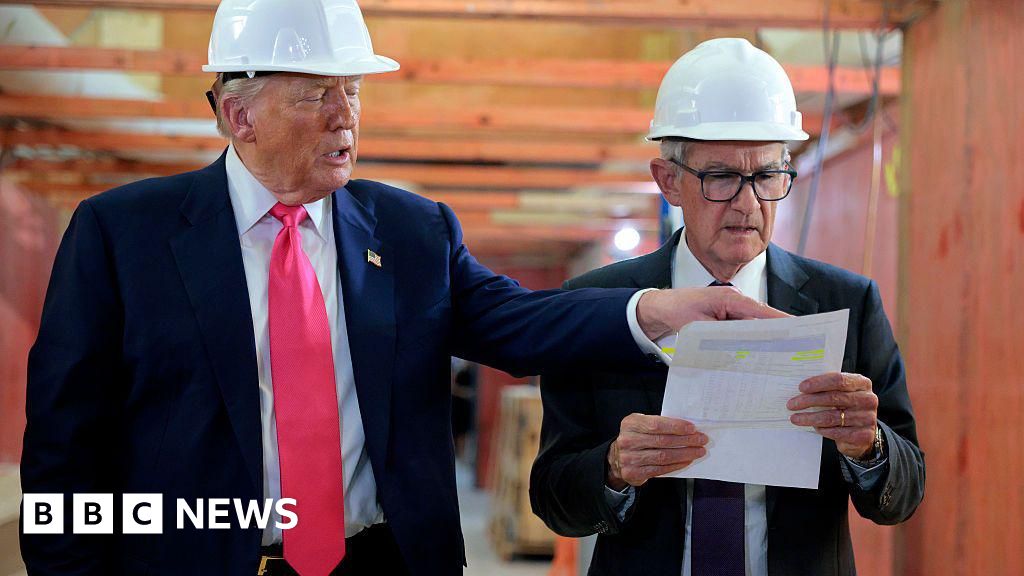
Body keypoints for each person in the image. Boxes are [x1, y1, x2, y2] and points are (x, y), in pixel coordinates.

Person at [18, 4, 785, 575]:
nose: (346, 116)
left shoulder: (412, 232)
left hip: (382, 561)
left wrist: (655, 309)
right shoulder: (123, 236)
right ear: (238, 114)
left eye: (353, 90)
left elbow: (518, 323)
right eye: (317, 94)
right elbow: (63, 446)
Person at [530, 38, 925, 576]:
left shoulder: (847, 303)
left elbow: (905, 491)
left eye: (766, 176)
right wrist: (614, 467)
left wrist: (869, 447)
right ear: (668, 181)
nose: (748, 203)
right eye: (721, 178)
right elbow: (552, 496)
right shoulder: (598, 306)